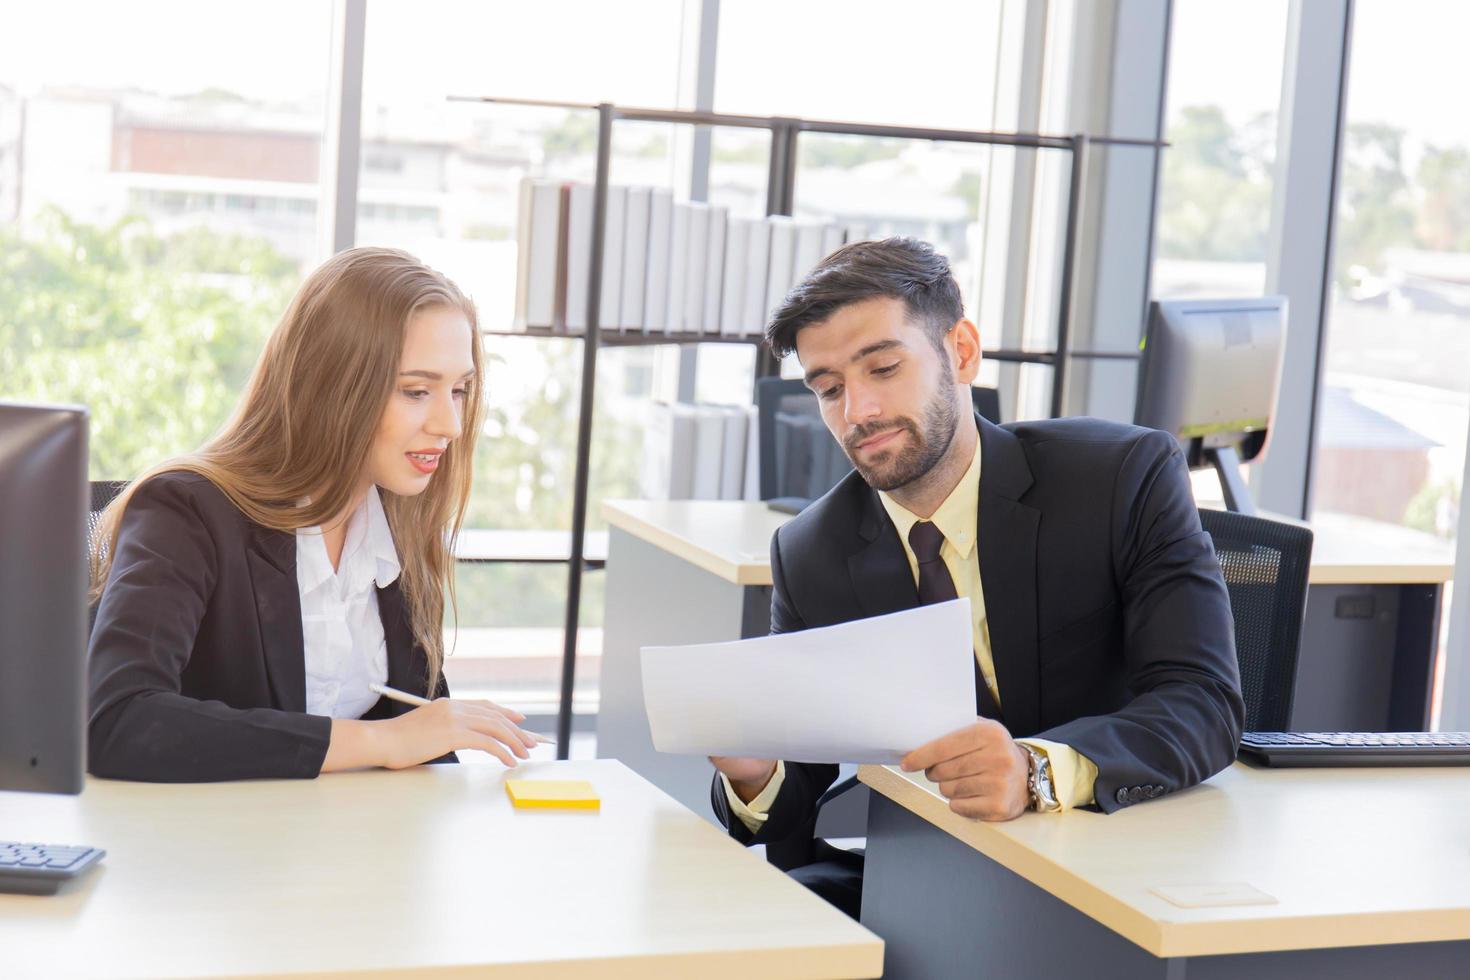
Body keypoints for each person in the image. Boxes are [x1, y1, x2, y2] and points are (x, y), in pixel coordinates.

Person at [708, 237, 1244, 919]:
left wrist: (1036, 770)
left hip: (1123, 866)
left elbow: (1203, 702)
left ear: (961, 351)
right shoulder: (812, 551)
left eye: (883, 368)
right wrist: (759, 775)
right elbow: (802, 782)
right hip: (934, 877)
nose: (858, 412)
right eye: (830, 389)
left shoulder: (1118, 479)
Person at [87, 246, 538, 781]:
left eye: (460, 390)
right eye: (417, 391)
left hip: (349, 850)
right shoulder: (186, 511)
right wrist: (380, 740)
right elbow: (118, 722)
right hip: (207, 850)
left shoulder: (396, 529)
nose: (450, 424)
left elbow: (421, 747)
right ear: (333, 386)